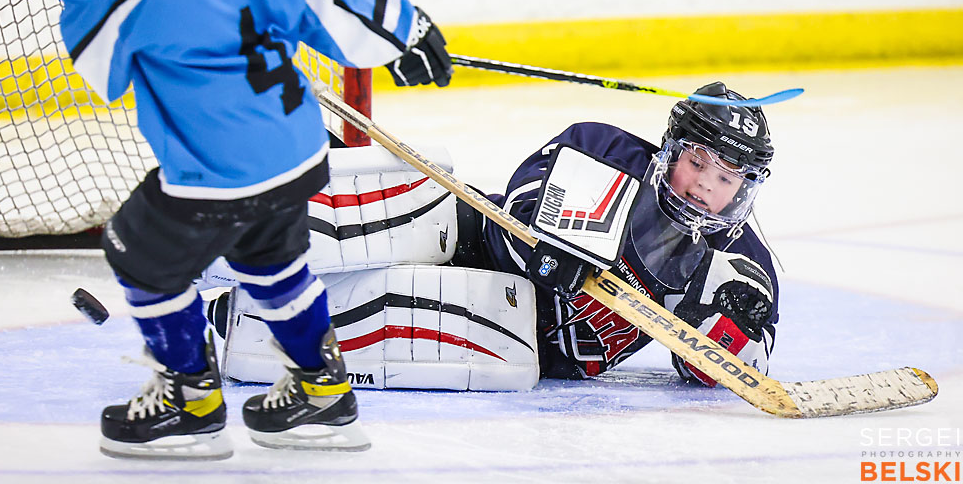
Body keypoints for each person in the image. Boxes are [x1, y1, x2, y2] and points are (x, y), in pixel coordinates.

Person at [58, 0, 453, 460]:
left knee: (137, 253)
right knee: (271, 261)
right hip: (298, 151)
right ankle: (323, 391)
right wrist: (407, 34)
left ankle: (190, 398)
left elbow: (99, 66)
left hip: (216, 169)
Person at [208, 82, 778, 391]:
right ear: (673, 149)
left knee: (447, 316)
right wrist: (545, 245)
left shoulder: (741, 262)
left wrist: (731, 333)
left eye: (726, 177)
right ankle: (257, 175)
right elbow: (519, 209)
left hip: (515, 338)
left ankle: (252, 317)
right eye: (698, 163)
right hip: (477, 241)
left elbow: (718, 369)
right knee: (418, 201)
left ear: (744, 188)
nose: (705, 186)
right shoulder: (603, 151)